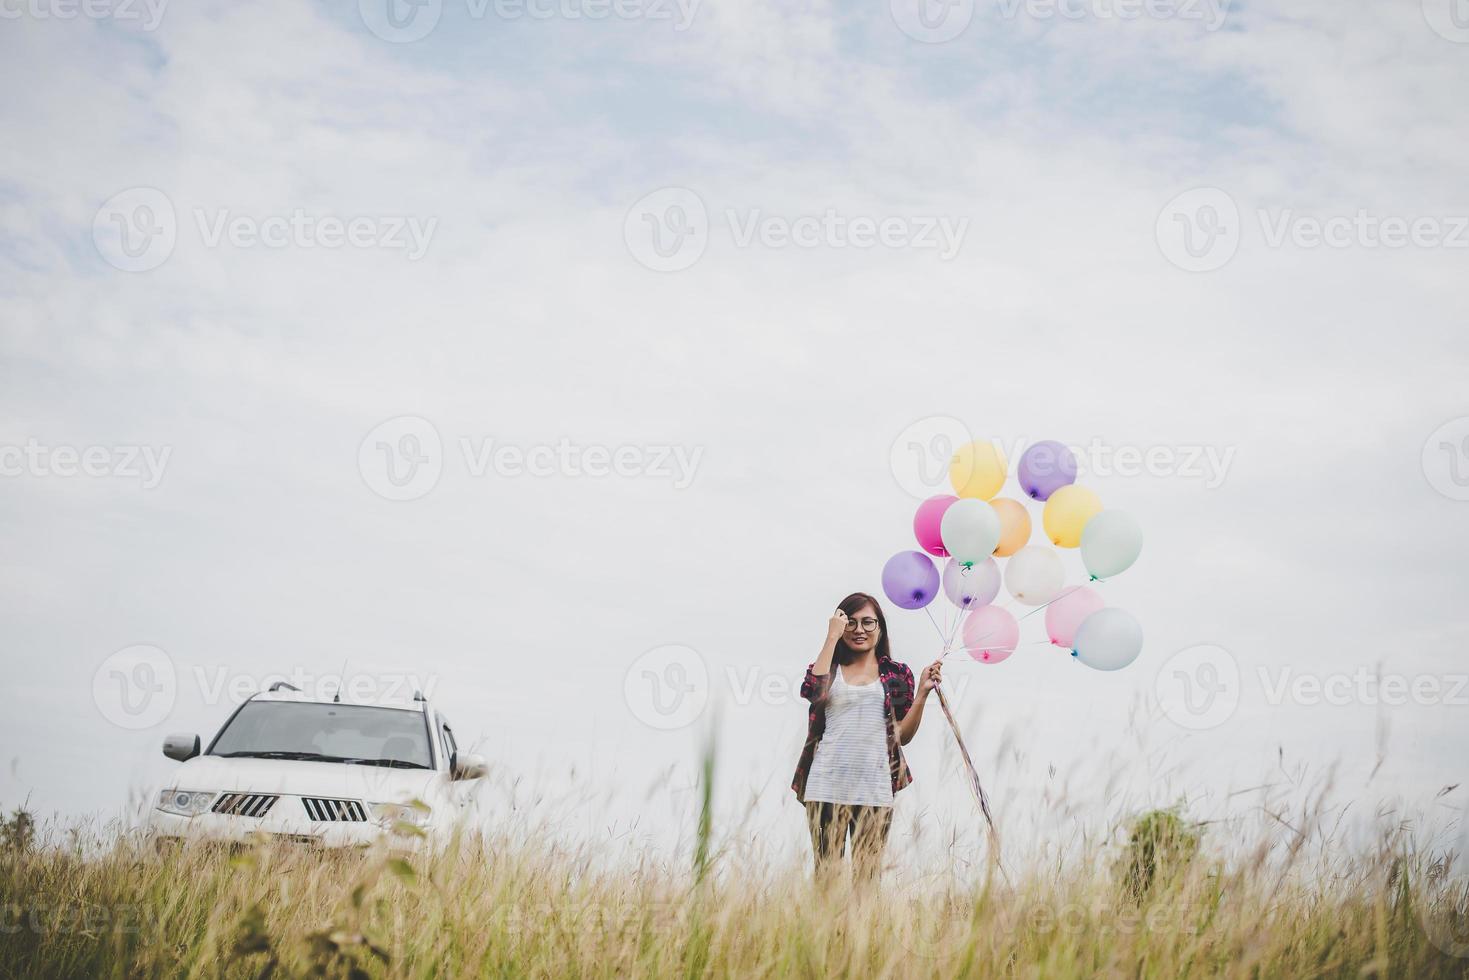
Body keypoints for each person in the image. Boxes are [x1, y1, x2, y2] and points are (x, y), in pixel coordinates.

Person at [791, 591, 943, 882]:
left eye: (868, 623)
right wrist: (831, 637)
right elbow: (813, 691)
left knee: (867, 879)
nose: (859, 630)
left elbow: (903, 736)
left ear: (880, 627)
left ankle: (861, 929)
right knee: (827, 878)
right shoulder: (829, 668)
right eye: (851, 623)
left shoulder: (896, 674)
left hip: (874, 789)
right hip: (825, 787)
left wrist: (922, 692)